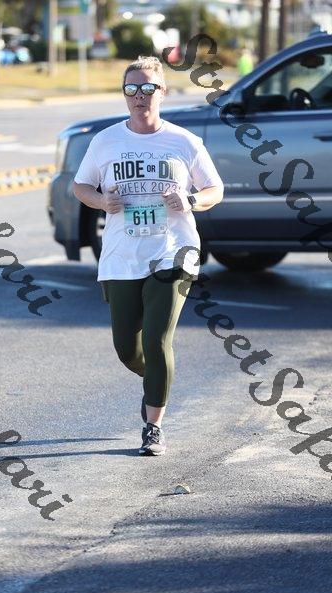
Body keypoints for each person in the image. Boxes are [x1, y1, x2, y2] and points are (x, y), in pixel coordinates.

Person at [73, 56, 224, 456]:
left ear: (163, 92)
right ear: (125, 95)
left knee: (157, 342)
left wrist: (190, 200)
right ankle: (158, 378)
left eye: (147, 88)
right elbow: (81, 186)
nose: (139, 96)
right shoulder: (105, 141)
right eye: (131, 89)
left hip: (173, 253)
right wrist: (102, 201)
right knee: (128, 349)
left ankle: (153, 425)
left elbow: (215, 189)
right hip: (121, 256)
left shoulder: (184, 142)